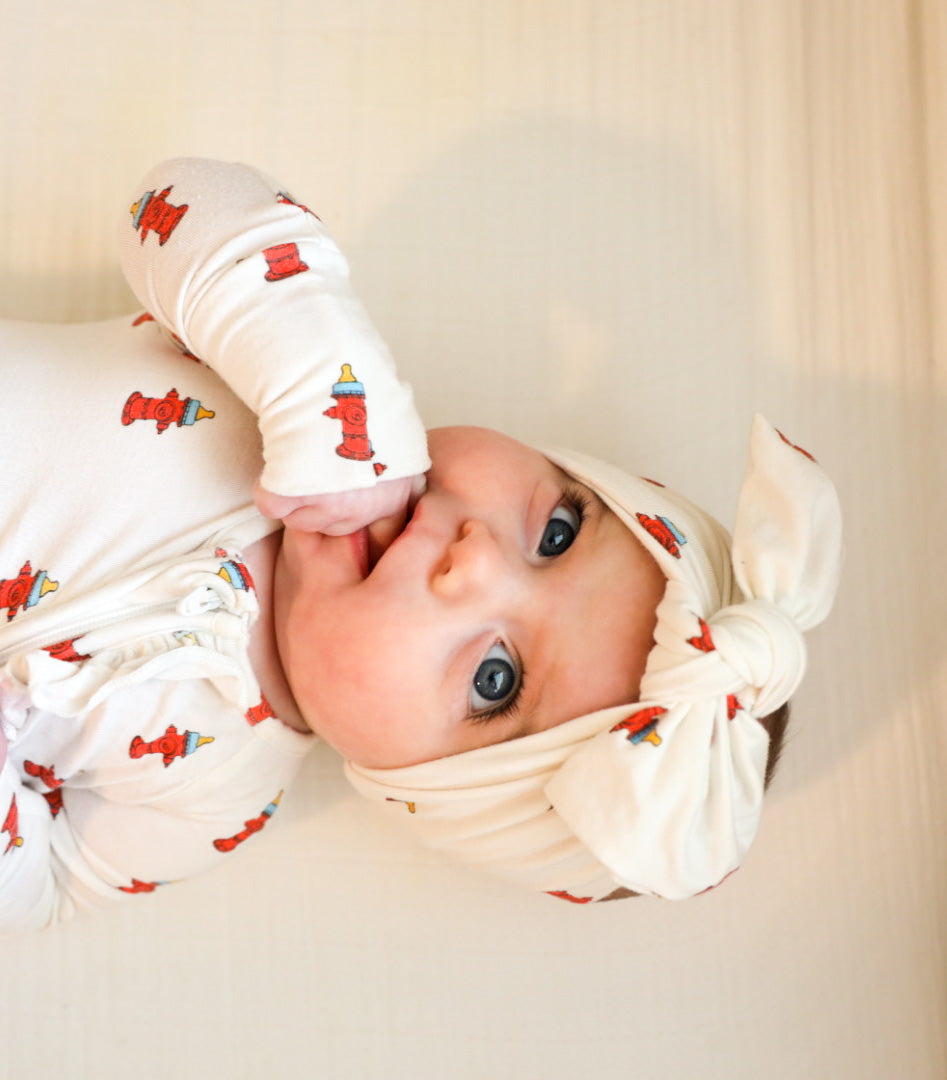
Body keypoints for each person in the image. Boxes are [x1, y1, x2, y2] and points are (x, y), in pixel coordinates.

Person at [0, 159, 842, 933]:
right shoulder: (277, 389)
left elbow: (44, 889)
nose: (474, 559)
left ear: (414, 783)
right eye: (556, 532)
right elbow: (172, 208)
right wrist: (328, 398)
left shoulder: (218, 798)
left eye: (496, 678)